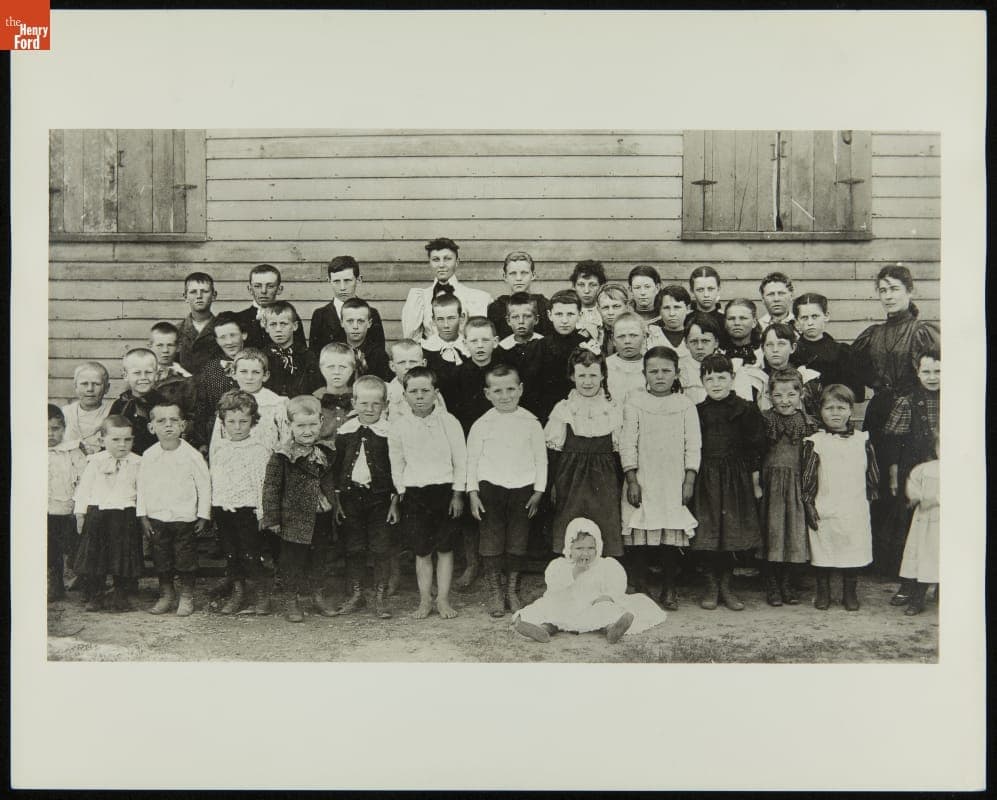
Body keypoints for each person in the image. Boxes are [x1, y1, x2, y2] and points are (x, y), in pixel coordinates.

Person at [849, 264, 940, 576]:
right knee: (877, 480)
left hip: (912, 413)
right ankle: (879, 559)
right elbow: (857, 374)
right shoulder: (872, 335)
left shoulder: (922, 332)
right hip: (879, 412)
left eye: (895, 289)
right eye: (883, 290)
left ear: (909, 291)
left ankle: (908, 562)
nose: (888, 296)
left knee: (904, 480)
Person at [621, 347, 701, 611]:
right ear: (644, 373)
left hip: (673, 479)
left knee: (670, 532)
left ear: (676, 373)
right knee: (641, 530)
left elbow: (693, 445)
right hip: (643, 477)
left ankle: (669, 587)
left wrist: (689, 479)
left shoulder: (685, 405)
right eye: (653, 371)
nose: (659, 376)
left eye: (666, 371)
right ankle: (642, 585)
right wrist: (632, 479)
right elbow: (628, 442)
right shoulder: (635, 402)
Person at [466, 364, 547, 617]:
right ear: (487, 394)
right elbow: (471, 461)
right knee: (491, 541)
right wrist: (472, 493)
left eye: (511, 389)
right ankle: (495, 592)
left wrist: (539, 491)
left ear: (520, 389)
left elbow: (541, 459)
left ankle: (512, 590)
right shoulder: (481, 424)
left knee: (518, 540)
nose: (505, 396)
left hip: (523, 489)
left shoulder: (531, 422)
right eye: (498, 391)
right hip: (490, 489)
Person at [388, 366, 467, 619]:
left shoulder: (449, 422)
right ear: (405, 395)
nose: (420, 396)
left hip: (445, 493)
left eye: (425, 390)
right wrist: (401, 494)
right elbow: (397, 463)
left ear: (436, 392)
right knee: (422, 551)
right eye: (413, 391)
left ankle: (443, 599)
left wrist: (458, 494)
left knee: (445, 548)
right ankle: (424, 600)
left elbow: (461, 460)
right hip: (414, 495)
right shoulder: (399, 426)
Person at [689, 354, 764, 611]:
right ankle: (711, 586)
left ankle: (727, 586)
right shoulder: (697, 411)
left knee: (731, 533)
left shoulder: (746, 409)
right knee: (709, 533)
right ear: (702, 382)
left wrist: (755, 482)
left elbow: (755, 448)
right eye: (709, 379)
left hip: (736, 479)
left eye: (721, 378)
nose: (716, 384)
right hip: (707, 478)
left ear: (732, 378)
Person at [513, 518, 667, 644]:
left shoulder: (605, 565)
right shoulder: (561, 565)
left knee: (606, 610)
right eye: (579, 549)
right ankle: (543, 629)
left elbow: (617, 585)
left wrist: (608, 596)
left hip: (594, 605)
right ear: (569, 547)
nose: (585, 553)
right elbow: (554, 586)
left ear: (598, 547)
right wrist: (575, 572)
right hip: (567, 605)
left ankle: (612, 629)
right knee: (552, 612)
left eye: (590, 548)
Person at [262, 395, 340, 622]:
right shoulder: (283, 455)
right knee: (292, 560)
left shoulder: (325, 451)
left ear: (321, 422)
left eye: (312, 425)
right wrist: (272, 518)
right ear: (290, 425)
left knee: (319, 557)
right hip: (294, 518)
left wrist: (335, 506)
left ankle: (317, 595)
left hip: (321, 514)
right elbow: (271, 488)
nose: (307, 431)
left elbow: (329, 481)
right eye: (301, 426)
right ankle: (291, 599)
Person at [802, 385, 880, 611]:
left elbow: (872, 471)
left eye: (841, 408)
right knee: (823, 548)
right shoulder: (815, 441)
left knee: (853, 547)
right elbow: (808, 475)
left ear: (850, 410)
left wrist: (871, 495)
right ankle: (823, 592)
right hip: (825, 503)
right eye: (829, 408)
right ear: (821, 411)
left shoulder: (862, 439)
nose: (835, 413)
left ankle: (849, 593)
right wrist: (808, 502)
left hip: (854, 505)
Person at [331, 376, 400, 618]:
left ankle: (380, 596)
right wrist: (338, 500)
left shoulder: (390, 433)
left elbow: (398, 469)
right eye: (363, 403)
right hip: (351, 497)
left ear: (385, 405)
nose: (369, 409)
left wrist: (395, 501)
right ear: (354, 403)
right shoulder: (345, 431)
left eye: (376, 404)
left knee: (381, 547)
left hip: (380, 499)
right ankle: (356, 593)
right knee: (354, 547)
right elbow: (337, 468)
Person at [545, 348, 624, 559]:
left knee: (604, 517)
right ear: (572, 376)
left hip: (604, 475)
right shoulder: (564, 408)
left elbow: (619, 450)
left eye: (593, 375)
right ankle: (569, 565)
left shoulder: (612, 408)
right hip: (570, 475)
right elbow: (554, 451)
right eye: (581, 375)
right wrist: (553, 483)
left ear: (603, 375)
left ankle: (603, 566)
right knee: (569, 516)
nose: (587, 382)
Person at [137, 399, 211, 617]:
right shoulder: (149, 455)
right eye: (161, 421)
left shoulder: (192, 456)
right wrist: (143, 516)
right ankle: (166, 594)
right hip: (157, 517)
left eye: (174, 420)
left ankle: (187, 596)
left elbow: (204, 486)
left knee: (185, 559)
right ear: (151, 427)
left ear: (183, 425)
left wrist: (203, 515)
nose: (168, 425)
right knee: (161, 558)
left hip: (184, 518)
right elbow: (141, 486)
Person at [882, 347, 940, 603]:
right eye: (926, 371)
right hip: (914, 474)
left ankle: (943, 584)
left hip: (947, 474)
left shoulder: (957, 398)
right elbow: (893, 443)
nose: (932, 377)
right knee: (910, 530)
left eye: (938, 371)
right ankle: (908, 584)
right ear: (917, 372)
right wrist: (894, 477)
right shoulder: (907, 401)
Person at [759, 368, 820, 607]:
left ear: (801, 394)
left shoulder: (808, 423)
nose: (784, 401)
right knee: (772, 533)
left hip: (795, 485)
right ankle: (771, 584)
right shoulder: (764, 420)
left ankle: (787, 583)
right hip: (771, 485)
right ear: (769, 396)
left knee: (793, 534)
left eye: (791, 395)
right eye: (778, 395)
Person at [210, 390, 273, 616]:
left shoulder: (258, 450)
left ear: (253, 421)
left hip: (248, 510)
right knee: (231, 552)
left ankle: (262, 593)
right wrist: (214, 507)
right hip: (224, 509)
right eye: (231, 422)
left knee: (250, 553)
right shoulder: (219, 448)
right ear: (223, 422)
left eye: (243, 422)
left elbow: (262, 483)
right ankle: (238, 591)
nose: (237, 427)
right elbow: (216, 479)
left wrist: (262, 513)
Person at [73, 415, 144, 612]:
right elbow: (84, 489)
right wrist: (80, 514)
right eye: (116, 439)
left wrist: (143, 516)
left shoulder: (138, 462)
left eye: (127, 439)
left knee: (122, 556)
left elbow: (143, 492)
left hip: (125, 514)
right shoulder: (95, 461)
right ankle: (95, 594)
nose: (122, 444)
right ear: (102, 440)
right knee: (97, 557)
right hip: (99, 515)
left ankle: (119, 594)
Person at [523, 289, 599, 423]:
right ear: (550, 315)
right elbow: (531, 389)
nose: (564, 320)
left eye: (570, 314)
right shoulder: (538, 347)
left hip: (581, 413)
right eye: (559, 314)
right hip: (546, 413)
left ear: (580, 315)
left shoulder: (587, 345)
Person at [401, 237, 491, 341]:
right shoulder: (420, 298)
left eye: (447, 259)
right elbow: (411, 340)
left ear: (457, 262)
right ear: (429, 262)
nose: (441, 265)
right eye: (436, 259)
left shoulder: (477, 297)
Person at [210, 348, 287, 459]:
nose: (249, 377)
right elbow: (217, 443)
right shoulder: (227, 403)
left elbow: (286, 440)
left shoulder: (277, 404)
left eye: (256, 372)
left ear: (265, 376)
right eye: (243, 372)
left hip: (268, 463)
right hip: (233, 462)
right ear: (233, 373)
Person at [790, 293, 865, 400]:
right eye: (804, 318)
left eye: (815, 316)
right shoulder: (792, 352)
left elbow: (858, 394)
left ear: (826, 316)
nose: (810, 323)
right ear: (797, 322)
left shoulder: (842, 352)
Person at [734, 323, 821, 416]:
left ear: (793, 348)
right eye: (769, 345)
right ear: (763, 349)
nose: (775, 349)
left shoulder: (806, 378)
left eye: (781, 344)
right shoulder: (753, 379)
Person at [309, 255, 386, 356]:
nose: (342, 288)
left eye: (347, 281)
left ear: (358, 280)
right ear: (329, 281)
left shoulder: (371, 313)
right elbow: (314, 355)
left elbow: (379, 353)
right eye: (336, 281)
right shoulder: (320, 315)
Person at [48, 405, 87, 601]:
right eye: (44, 429)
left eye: (55, 428)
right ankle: (55, 584)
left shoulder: (73, 451)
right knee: (50, 549)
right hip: (45, 511)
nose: (50, 434)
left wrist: (79, 507)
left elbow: (84, 480)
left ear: (64, 428)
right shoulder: (31, 450)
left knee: (75, 548)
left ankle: (86, 581)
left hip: (69, 510)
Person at [897, 435, 939, 616]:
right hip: (923, 518)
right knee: (920, 553)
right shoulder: (926, 468)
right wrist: (916, 496)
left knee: (938, 555)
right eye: (940, 446)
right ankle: (915, 595)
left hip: (946, 519)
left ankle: (933, 594)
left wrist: (936, 499)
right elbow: (912, 481)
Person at [191, 311, 246, 449]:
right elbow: (202, 409)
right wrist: (202, 442)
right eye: (223, 337)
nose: (229, 342)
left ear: (244, 335)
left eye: (233, 335)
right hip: (219, 437)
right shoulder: (210, 369)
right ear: (216, 340)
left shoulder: (258, 363)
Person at [235, 264, 308, 352]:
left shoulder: (289, 316)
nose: (263, 291)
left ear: (279, 289)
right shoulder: (239, 319)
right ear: (250, 289)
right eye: (257, 286)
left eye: (270, 286)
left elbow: (301, 351)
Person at [487, 251, 551, 339]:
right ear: (505, 277)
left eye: (524, 273)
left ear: (533, 275)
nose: (518, 278)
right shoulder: (496, 308)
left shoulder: (544, 305)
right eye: (513, 273)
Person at [109, 348, 162, 455]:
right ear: (125, 376)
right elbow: (110, 433)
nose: (143, 377)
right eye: (137, 373)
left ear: (157, 375)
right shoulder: (120, 404)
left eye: (148, 372)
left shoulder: (162, 405)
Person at [385, 339, 447, 421]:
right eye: (402, 362)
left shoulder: (432, 393)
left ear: (423, 364)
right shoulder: (386, 394)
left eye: (413, 362)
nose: (408, 367)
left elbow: (443, 421)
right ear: (392, 366)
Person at [176, 271, 223, 376]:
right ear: (185, 297)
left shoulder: (224, 329)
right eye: (193, 292)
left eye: (204, 291)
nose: (199, 296)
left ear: (214, 295)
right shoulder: (177, 331)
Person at [61, 361, 113, 454]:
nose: (90, 389)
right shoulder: (65, 413)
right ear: (75, 386)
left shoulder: (112, 413)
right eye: (84, 384)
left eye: (96, 384)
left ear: (106, 388)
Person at [340, 297, 392, 381]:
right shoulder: (334, 351)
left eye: (360, 321)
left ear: (369, 323)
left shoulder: (379, 355)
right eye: (350, 321)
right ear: (342, 323)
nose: (355, 326)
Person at [679, 312, 723, 404]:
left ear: (716, 342)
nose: (699, 347)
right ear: (686, 343)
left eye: (705, 341)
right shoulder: (678, 369)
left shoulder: (733, 367)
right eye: (694, 341)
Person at [605, 312, 647, 403]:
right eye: (621, 336)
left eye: (633, 335)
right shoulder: (604, 366)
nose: (627, 341)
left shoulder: (651, 365)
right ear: (613, 340)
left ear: (644, 338)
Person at [421, 293, 471, 369]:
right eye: (440, 319)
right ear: (434, 320)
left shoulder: (469, 348)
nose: (446, 325)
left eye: (451, 318)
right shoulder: (425, 348)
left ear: (461, 318)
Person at [497, 291, 545, 368]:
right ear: (508, 321)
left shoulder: (544, 344)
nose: (521, 321)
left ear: (536, 319)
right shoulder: (503, 347)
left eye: (527, 316)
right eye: (515, 317)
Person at [647, 284, 693, 352]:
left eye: (677, 307)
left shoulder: (695, 335)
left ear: (688, 309)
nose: (672, 314)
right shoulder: (651, 335)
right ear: (660, 310)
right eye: (666, 308)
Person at [570, 260, 608, 341]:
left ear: (601, 286)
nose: (586, 291)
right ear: (574, 286)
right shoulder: (568, 312)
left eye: (593, 285)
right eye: (581, 285)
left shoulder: (608, 311)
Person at [722, 298, 763, 365]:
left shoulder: (762, 352)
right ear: (725, 323)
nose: (737, 323)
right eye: (731, 318)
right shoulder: (719, 352)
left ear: (754, 322)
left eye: (743, 318)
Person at [594, 283, 630, 356]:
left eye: (616, 306)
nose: (610, 312)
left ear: (626, 306)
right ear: (598, 309)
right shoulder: (594, 334)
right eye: (605, 307)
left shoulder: (637, 332)